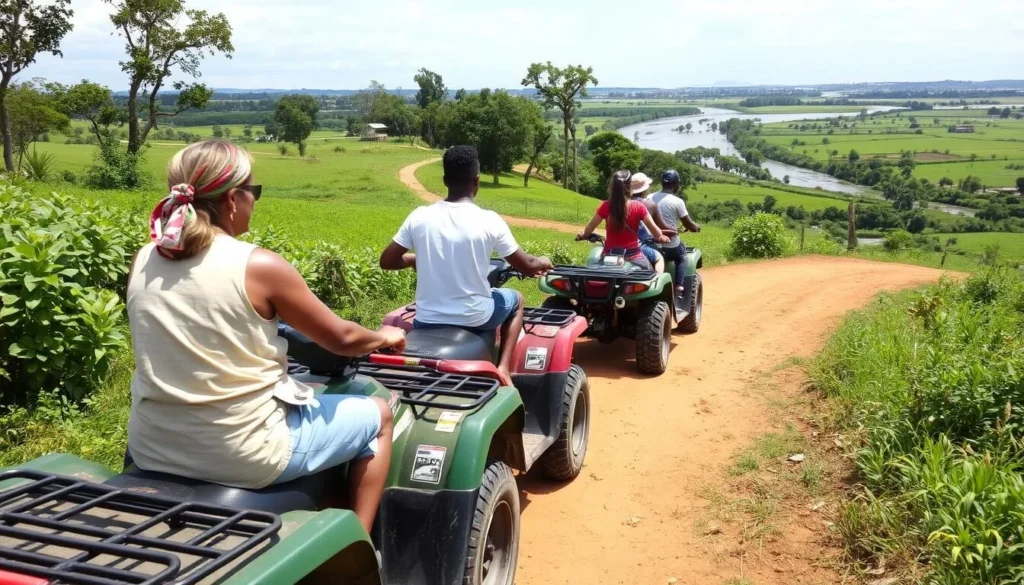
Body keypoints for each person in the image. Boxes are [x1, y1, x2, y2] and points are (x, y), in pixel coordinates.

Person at [126, 139, 405, 533]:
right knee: (379, 415)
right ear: (233, 199)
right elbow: (341, 338)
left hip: (151, 445)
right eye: (253, 191)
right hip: (244, 454)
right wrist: (382, 335)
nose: (254, 200)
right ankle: (356, 543)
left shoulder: (145, 258)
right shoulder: (258, 265)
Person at [379, 145, 553, 386]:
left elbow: (387, 261)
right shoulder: (488, 220)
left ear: (444, 180)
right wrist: (543, 261)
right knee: (517, 299)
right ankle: (503, 368)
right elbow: (527, 266)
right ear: (477, 181)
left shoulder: (419, 216)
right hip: (474, 317)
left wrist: (414, 259)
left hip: (427, 319)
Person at [578, 170, 670, 270]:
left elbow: (589, 229)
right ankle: (656, 282)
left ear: (612, 186)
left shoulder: (605, 206)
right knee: (658, 260)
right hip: (633, 256)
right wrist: (661, 236)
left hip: (608, 255)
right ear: (630, 186)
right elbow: (656, 232)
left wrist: (585, 235)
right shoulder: (639, 207)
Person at [651, 170, 702, 293]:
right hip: (669, 244)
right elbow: (687, 223)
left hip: (651, 241)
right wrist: (695, 227)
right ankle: (679, 285)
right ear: (677, 184)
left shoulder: (650, 197)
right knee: (681, 255)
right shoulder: (677, 202)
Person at [627, 172, 674, 274]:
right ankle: (657, 281)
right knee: (660, 257)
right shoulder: (647, 205)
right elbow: (661, 226)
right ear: (645, 189)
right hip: (640, 246)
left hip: (618, 247)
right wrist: (673, 229)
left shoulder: (622, 204)